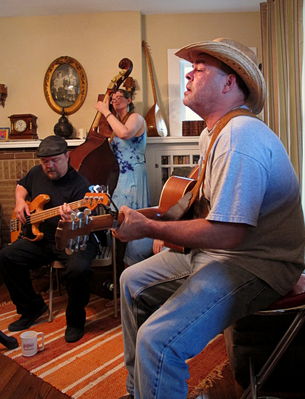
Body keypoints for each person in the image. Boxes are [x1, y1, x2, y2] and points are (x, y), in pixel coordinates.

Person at [111, 38, 305, 399]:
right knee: (131, 280)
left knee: (159, 340)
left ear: (230, 83)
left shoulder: (241, 136)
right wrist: (149, 217)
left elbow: (229, 233)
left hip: (257, 264)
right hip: (224, 255)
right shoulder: (212, 135)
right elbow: (201, 205)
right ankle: (141, 391)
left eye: (200, 69)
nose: (189, 74)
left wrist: (152, 227)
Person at [0, 135, 99, 343]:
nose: (49, 165)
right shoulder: (37, 173)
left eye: (54, 160)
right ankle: (31, 308)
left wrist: (71, 220)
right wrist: (19, 203)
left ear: (67, 156)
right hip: (41, 238)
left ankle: (75, 321)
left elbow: (89, 219)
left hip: (72, 239)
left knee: (78, 269)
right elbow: (21, 186)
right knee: (7, 256)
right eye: (45, 161)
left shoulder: (81, 185)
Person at [95, 86, 150, 211]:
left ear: (129, 100)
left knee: (129, 212)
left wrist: (105, 111)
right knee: (116, 211)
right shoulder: (116, 123)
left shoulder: (136, 118)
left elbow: (124, 134)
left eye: (119, 97)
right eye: (113, 99)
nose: (115, 100)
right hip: (118, 174)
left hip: (133, 174)